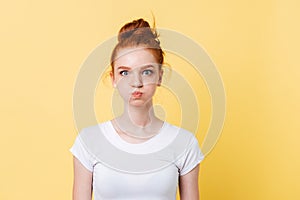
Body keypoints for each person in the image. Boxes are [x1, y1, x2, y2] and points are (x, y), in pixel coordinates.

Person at [70, 18, 204, 200]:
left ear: (160, 76)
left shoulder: (184, 143)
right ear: (114, 79)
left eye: (147, 71)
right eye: (125, 72)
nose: (136, 83)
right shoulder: (89, 142)